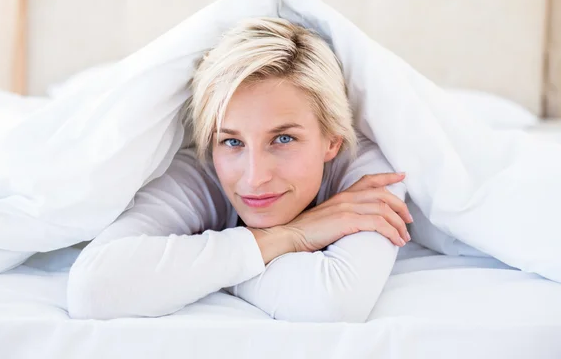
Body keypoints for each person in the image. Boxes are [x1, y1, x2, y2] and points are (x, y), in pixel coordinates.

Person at [67, 17, 413, 323]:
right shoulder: (203, 170)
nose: (254, 177)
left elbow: (334, 302)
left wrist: (193, 270)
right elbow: (93, 288)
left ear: (332, 141)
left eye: (283, 138)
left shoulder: (368, 176)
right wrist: (290, 236)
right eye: (232, 142)